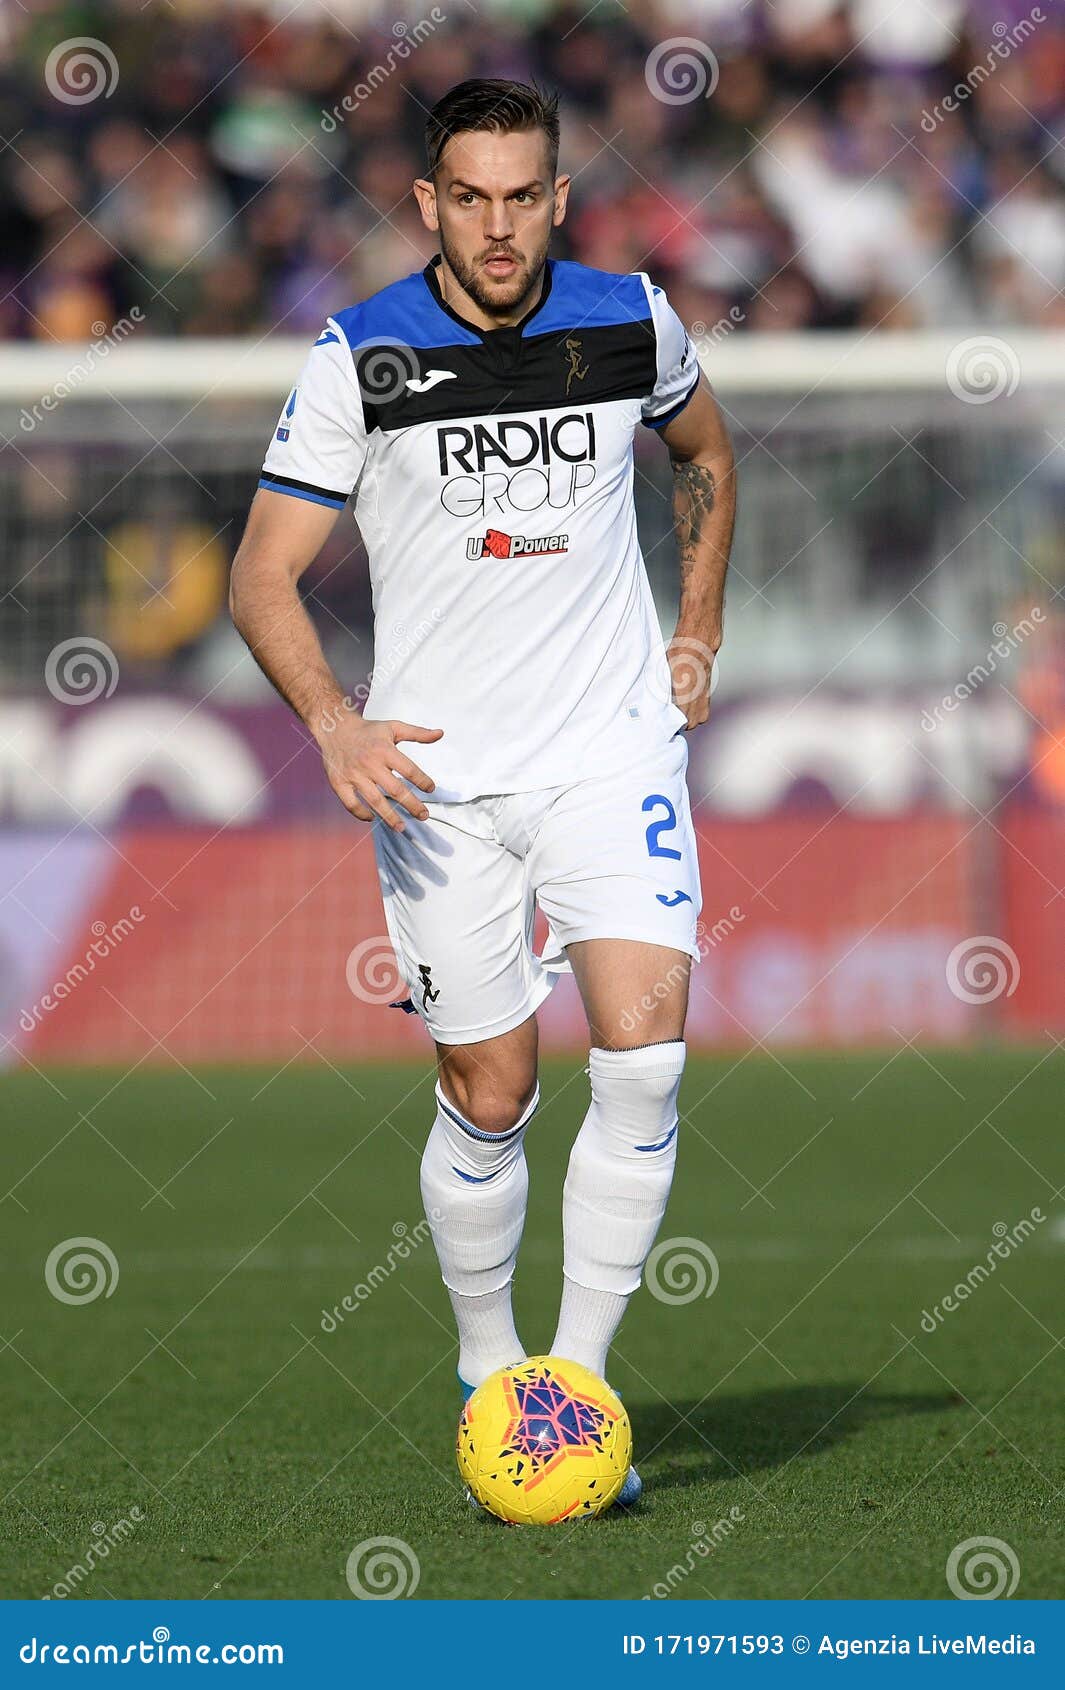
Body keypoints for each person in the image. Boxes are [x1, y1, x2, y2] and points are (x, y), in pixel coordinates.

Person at [230, 79, 736, 1507]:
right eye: (472, 197)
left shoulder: (631, 317)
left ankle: (568, 1393)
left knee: (641, 1057)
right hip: (438, 784)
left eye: (524, 196)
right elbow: (259, 572)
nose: (499, 225)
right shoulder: (358, 357)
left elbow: (704, 454)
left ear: (557, 199)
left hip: (610, 749)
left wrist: (694, 622)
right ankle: (484, 1362)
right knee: (493, 1085)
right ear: (429, 203)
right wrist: (332, 721)